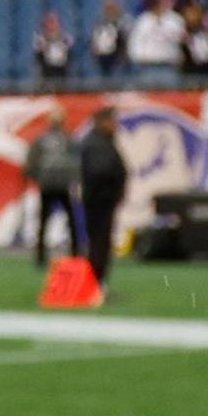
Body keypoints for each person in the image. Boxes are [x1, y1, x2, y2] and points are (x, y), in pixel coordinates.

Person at [25, 106, 85, 266]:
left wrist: (37, 176)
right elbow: (33, 160)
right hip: (53, 184)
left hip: (56, 184)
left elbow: (32, 161)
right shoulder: (64, 139)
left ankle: (48, 254)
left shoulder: (60, 139)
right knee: (48, 220)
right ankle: (45, 255)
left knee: (50, 221)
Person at [77, 104, 129, 283]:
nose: (115, 125)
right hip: (100, 201)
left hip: (102, 200)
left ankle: (98, 282)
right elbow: (100, 171)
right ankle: (96, 282)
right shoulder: (96, 143)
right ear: (102, 122)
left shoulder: (101, 141)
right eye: (112, 121)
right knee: (99, 243)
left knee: (101, 243)